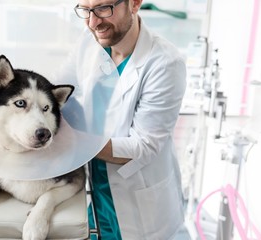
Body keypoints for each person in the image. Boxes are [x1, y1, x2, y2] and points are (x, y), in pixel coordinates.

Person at [58, 0, 187, 239]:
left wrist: (78, 142)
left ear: (135, 3)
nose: (93, 22)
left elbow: (144, 146)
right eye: (86, 10)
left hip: (140, 205)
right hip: (98, 191)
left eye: (103, 8)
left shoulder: (165, 63)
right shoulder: (89, 43)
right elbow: (61, 92)